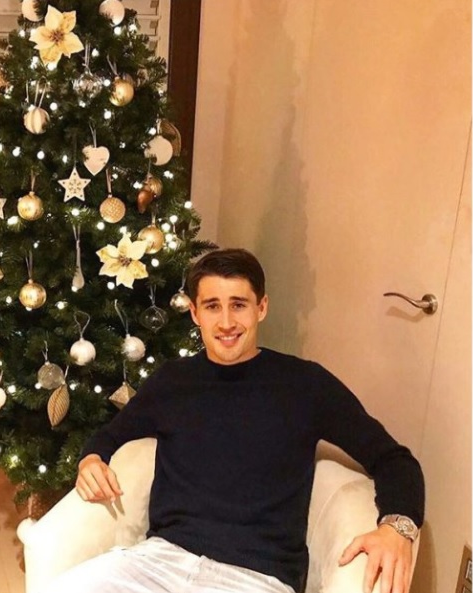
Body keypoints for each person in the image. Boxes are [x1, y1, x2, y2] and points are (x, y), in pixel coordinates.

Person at [49, 248, 425, 593]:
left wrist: (397, 527)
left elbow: (393, 459)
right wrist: (91, 459)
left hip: (254, 577)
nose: (226, 322)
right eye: (212, 306)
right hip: (157, 563)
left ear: (261, 307)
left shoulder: (306, 385)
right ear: (195, 313)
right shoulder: (173, 381)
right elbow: (110, 435)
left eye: (239, 305)